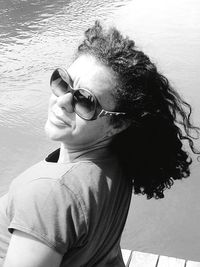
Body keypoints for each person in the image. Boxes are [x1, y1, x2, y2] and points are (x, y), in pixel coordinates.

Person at [0, 21, 199, 267]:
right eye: (63, 82)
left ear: (118, 124)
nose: (62, 102)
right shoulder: (116, 164)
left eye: (85, 101)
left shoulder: (48, 194)